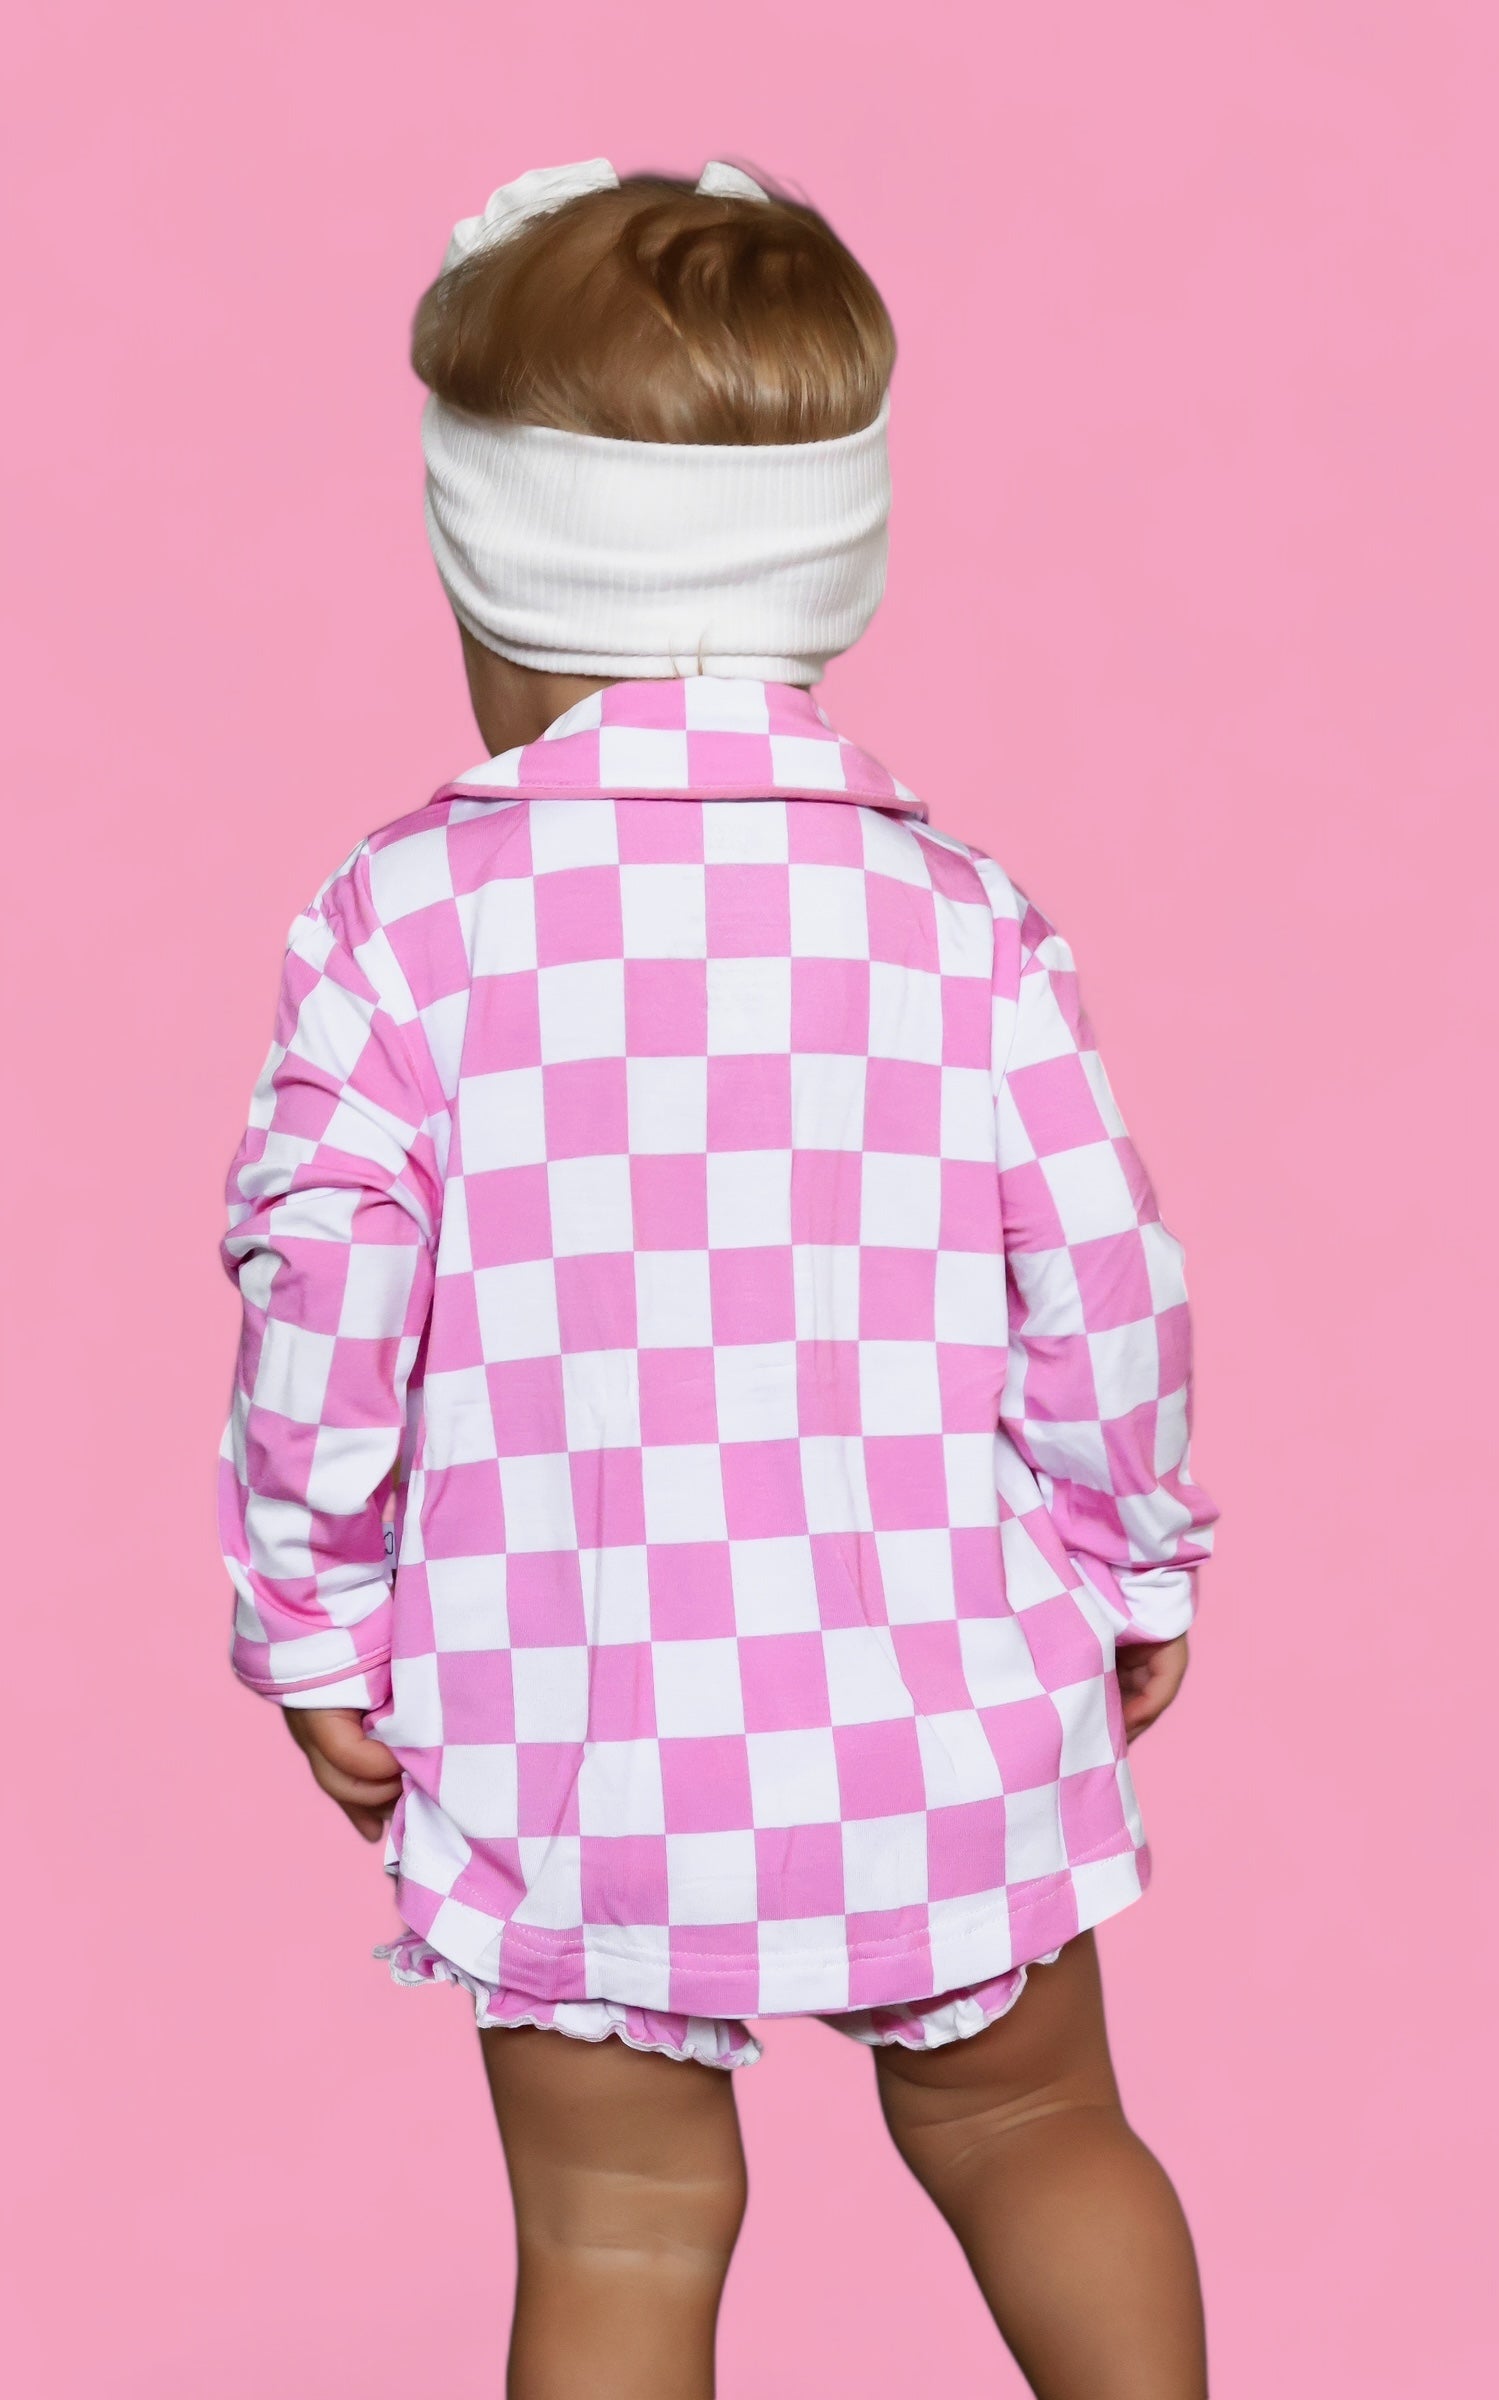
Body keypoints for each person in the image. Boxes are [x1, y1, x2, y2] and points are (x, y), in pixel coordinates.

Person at [219, 157, 1220, 2399]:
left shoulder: (400, 927)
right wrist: (1133, 1557)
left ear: (486, 565)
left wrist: (314, 1621)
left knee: (619, 2224)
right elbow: (1105, 1277)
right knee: (1040, 2131)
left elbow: (320, 1306)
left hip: (571, 1731)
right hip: (940, 1702)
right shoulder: (956, 920)